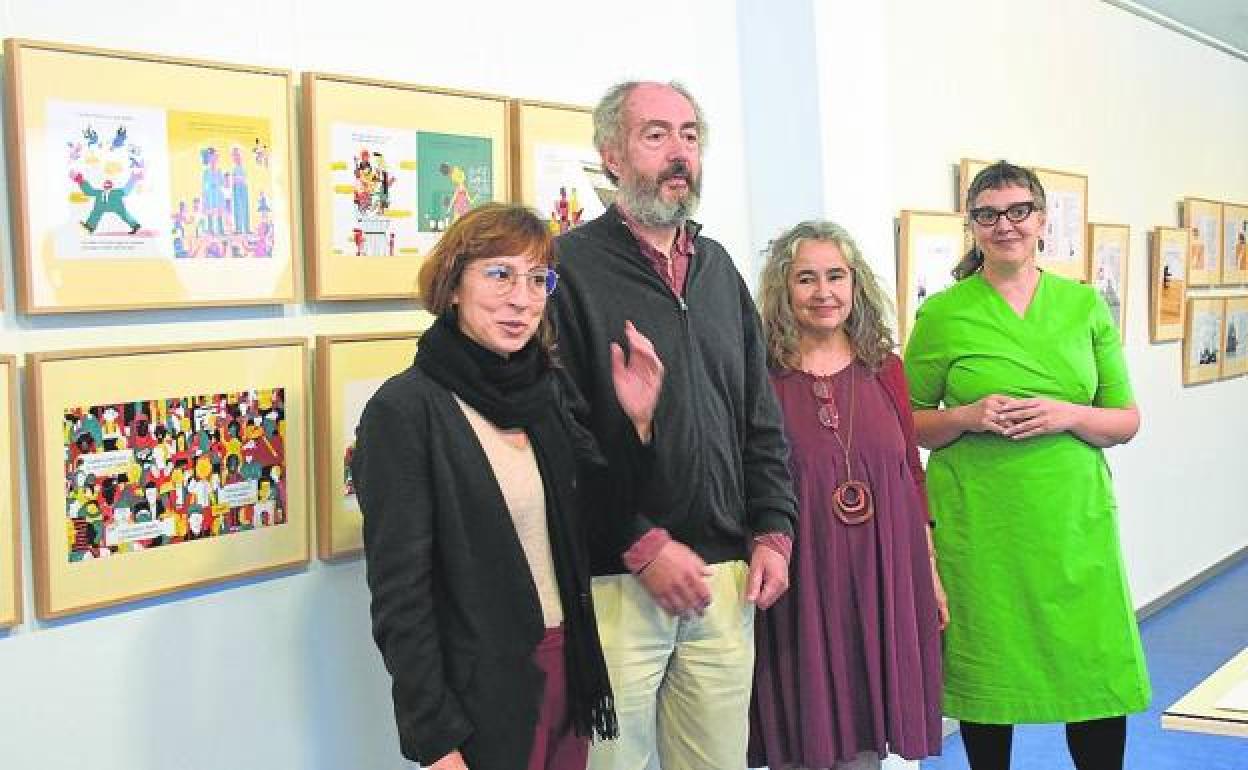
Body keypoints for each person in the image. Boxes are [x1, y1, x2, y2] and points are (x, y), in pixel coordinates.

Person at [352, 203, 665, 770]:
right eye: (499, 274)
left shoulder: (546, 392)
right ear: (452, 285)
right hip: (483, 696)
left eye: (537, 279)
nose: (521, 298)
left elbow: (605, 516)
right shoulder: (404, 412)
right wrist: (437, 742)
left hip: (567, 672)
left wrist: (636, 424)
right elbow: (402, 600)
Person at [549, 80, 797, 770]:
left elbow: (760, 419)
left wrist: (774, 530)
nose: (679, 152)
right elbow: (558, 437)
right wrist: (643, 545)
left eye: (690, 135)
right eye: (656, 135)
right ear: (611, 156)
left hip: (723, 578)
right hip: (617, 583)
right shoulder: (567, 270)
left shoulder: (718, 270)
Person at [903, 161, 1150, 770]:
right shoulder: (944, 314)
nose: (1004, 225)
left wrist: (1066, 413)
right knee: (991, 686)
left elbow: (1124, 421)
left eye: (1018, 211)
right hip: (982, 528)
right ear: (972, 226)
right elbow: (903, 422)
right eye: (987, 214)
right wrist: (966, 416)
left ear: (1042, 221)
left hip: (1073, 530)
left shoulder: (1084, 305)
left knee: (1093, 678)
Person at [749, 221, 946, 770]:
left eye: (836, 276)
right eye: (805, 279)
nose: (823, 292)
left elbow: (911, 469)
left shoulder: (886, 371)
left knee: (867, 727)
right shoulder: (762, 377)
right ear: (783, 290)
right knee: (805, 724)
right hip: (803, 572)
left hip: (884, 567)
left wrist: (928, 571)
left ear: (855, 284)